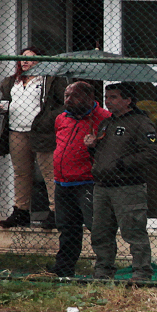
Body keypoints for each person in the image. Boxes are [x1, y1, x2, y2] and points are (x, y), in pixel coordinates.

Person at [87, 83, 157, 282]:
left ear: (128, 100)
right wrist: (92, 146)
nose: (108, 101)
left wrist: (122, 164)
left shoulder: (141, 123)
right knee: (101, 232)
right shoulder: (106, 123)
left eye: (113, 97)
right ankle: (103, 270)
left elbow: (152, 153)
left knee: (133, 231)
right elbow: (103, 154)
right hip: (103, 186)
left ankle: (141, 272)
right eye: (106, 97)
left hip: (128, 186)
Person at [0, 47, 66, 229]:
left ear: (40, 61)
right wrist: (1, 108)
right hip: (17, 131)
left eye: (31, 59)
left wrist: (47, 119)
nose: (25, 62)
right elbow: (6, 101)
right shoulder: (12, 82)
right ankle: (21, 211)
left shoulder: (49, 80)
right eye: (22, 58)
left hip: (41, 132)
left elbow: (63, 105)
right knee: (21, 172)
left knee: (48, 172)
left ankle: (56, 211)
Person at [48, 81, 111, 277]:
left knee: (97, 227)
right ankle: (64, 268)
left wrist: (95, 144)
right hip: (62, 182)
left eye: (74, 96)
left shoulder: (104, 119)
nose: (69, 100)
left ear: (89, 97)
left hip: (87, 182)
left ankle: (104, 268)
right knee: (67, 228)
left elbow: (111, 152)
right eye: (67, 96)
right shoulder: (61, 118)